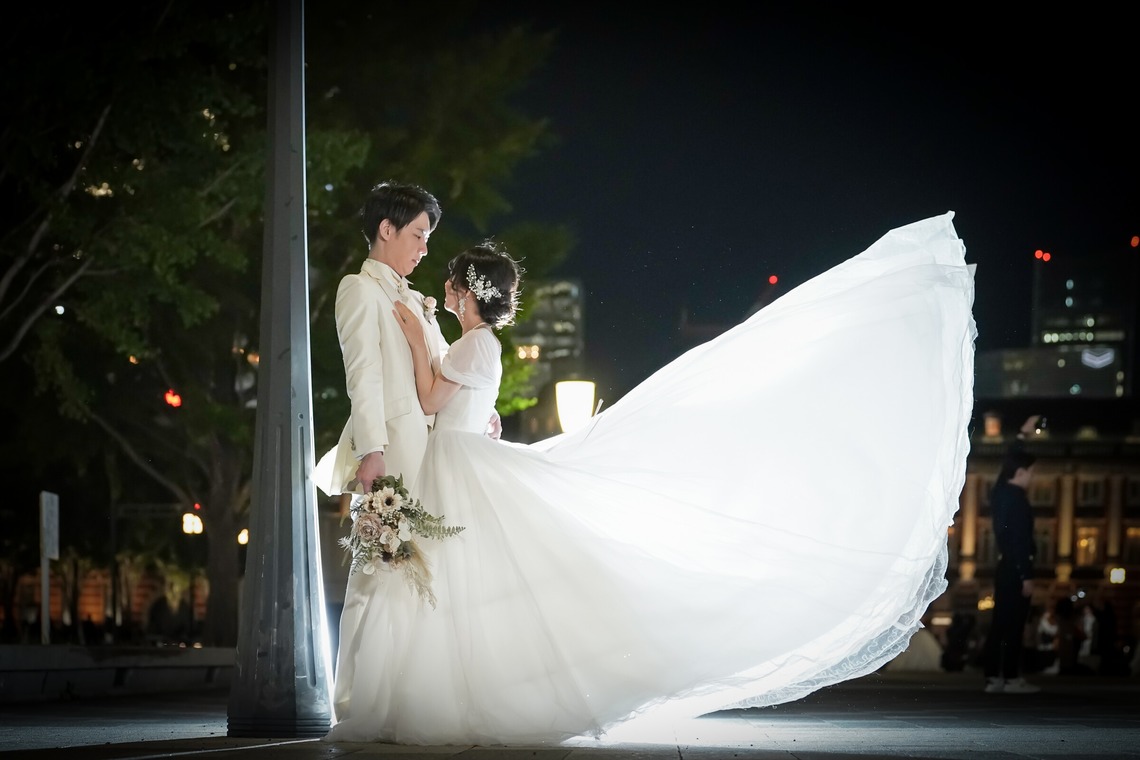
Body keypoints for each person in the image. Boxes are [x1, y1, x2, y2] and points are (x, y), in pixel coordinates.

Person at [323, 211, 977, 745]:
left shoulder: (471, 342)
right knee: (460, 581)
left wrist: (414, 339)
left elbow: (434, 399)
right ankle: (446, 688)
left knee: (450, 581)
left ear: (469, 293)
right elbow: (462, 395)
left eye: (453, 281)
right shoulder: (479, 344)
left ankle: (434, 690)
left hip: (455, 464)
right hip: (458, 461)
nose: (443, 285)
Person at [313, 180, 497, 723]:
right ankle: (353, 701)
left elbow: (441, 376)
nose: (423, 247)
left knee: (421, 574)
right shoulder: (359, 289)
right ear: (385, 229)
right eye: (417, 234)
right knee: (376, 571)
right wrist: (371, 449)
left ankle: (403, 699)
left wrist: (475, 413)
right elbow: (363, 375)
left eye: (427, 237)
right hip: (391, 453)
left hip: (433, 453)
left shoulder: (416, 298)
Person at [981, 432, 1041, 694]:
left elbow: (1006, 464)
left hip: (1004, 566)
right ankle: (1012, 678)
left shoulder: (1000, 493)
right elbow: (1020, 541)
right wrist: (1026, 575)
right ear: (1020, 472)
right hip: (1016, 568)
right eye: (1030, 472)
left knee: (999, 624)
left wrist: (1020, 436)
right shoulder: (1017, 499)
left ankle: (993, 677)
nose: (1032, 476)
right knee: (1015, 625)